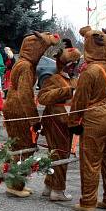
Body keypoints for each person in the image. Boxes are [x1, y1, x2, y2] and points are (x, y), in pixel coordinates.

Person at [69, 26, 106, 211]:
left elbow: (79, 101)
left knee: (91, 162)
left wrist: (74, 122)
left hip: (95, 121)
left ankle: (88, 202)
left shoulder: (90, 71)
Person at [2, 31, 60, 197]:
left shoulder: (23, 63)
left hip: (14, 106)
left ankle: (17, 183)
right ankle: (15, 185)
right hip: (18, 109)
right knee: (23, 147)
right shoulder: (26, 67)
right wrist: (34, 120)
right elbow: (25, 95)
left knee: (20, 146)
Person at [37, 39, 81, 201]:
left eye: (76, 64)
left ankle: (49, 186)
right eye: (71, 64)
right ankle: (58, 190)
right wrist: (66, 91)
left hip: (68, 122)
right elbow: (43, 97)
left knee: (56, 154)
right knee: (60, 155)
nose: (74, 67)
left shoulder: (74, 79)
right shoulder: (53, 79)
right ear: (64, 64)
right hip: (55, 121)